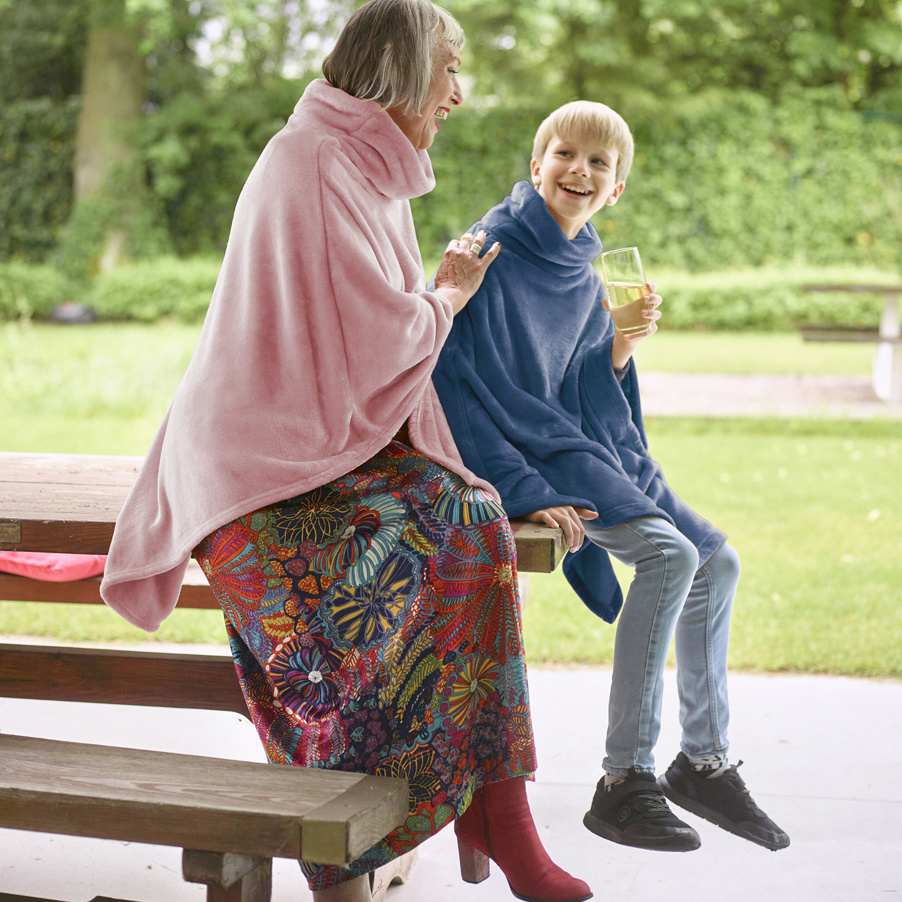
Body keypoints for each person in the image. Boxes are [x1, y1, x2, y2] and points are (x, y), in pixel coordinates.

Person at [100, 5, 593, 901]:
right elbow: (382, 341)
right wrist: (449, 295)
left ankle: (499, 807)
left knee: (474, 521)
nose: (458, 93)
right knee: (348, 628)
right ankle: (343, 866)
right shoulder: (318, 159)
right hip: (253, 465)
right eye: (449, 69)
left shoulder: (363, 161)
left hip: (318, 444)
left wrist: (499, 466)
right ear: (400, 69)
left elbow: (373, 344)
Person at [431, 100, 790, 856]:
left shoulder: (586, 262)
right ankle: (624, 779)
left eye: (600, 163)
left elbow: (587, 387)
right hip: (529, 456)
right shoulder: (489, 249)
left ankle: (702, 762)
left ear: (616, 188)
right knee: (670, 556)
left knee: (717, 561)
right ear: (537, 165)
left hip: (581, 443)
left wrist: (621, 344)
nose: (580, 170)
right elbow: (453, 385)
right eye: (566, 153)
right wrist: (524, 489)